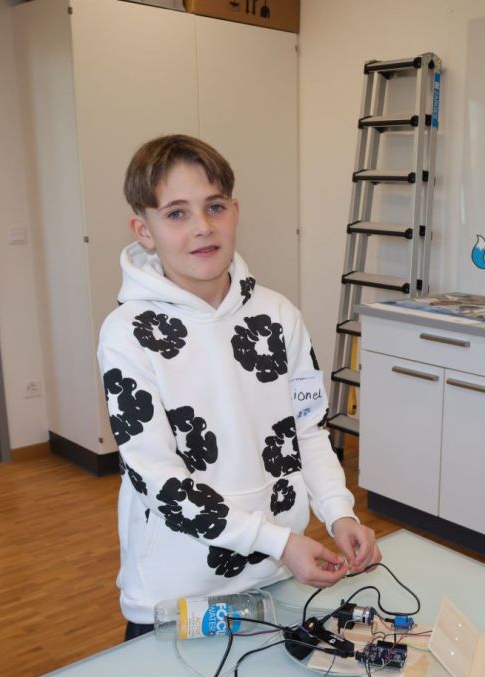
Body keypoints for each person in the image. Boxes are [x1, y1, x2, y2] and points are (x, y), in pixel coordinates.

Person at [98, 135, 381, 641]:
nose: (202, 227)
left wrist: (339, 513)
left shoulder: (279, 315)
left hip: (278, 576)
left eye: (214, 207)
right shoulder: (127, 334)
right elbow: (159, 481)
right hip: (177, 593)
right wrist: (279, 541)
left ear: (235, 211)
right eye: (176, 213)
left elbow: (308, 431)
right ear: (144, 230)